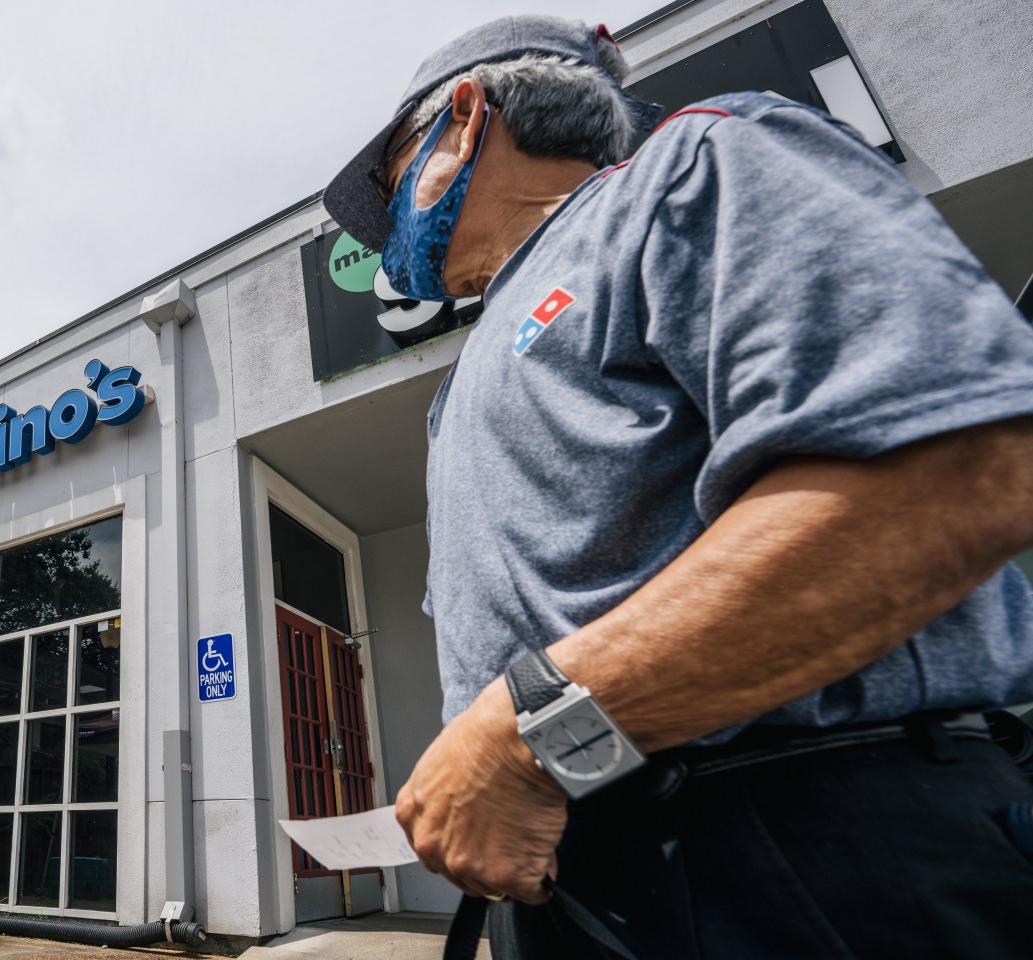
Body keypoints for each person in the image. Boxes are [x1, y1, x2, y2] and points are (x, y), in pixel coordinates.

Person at [322, 14, 1033, 960]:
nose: (389, 224)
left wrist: (530, 737)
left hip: (792, 844)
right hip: (566, 863)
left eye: (390, 180)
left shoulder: (699, 163)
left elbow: (947, 473)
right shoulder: (470, 369)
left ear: (464, 118)